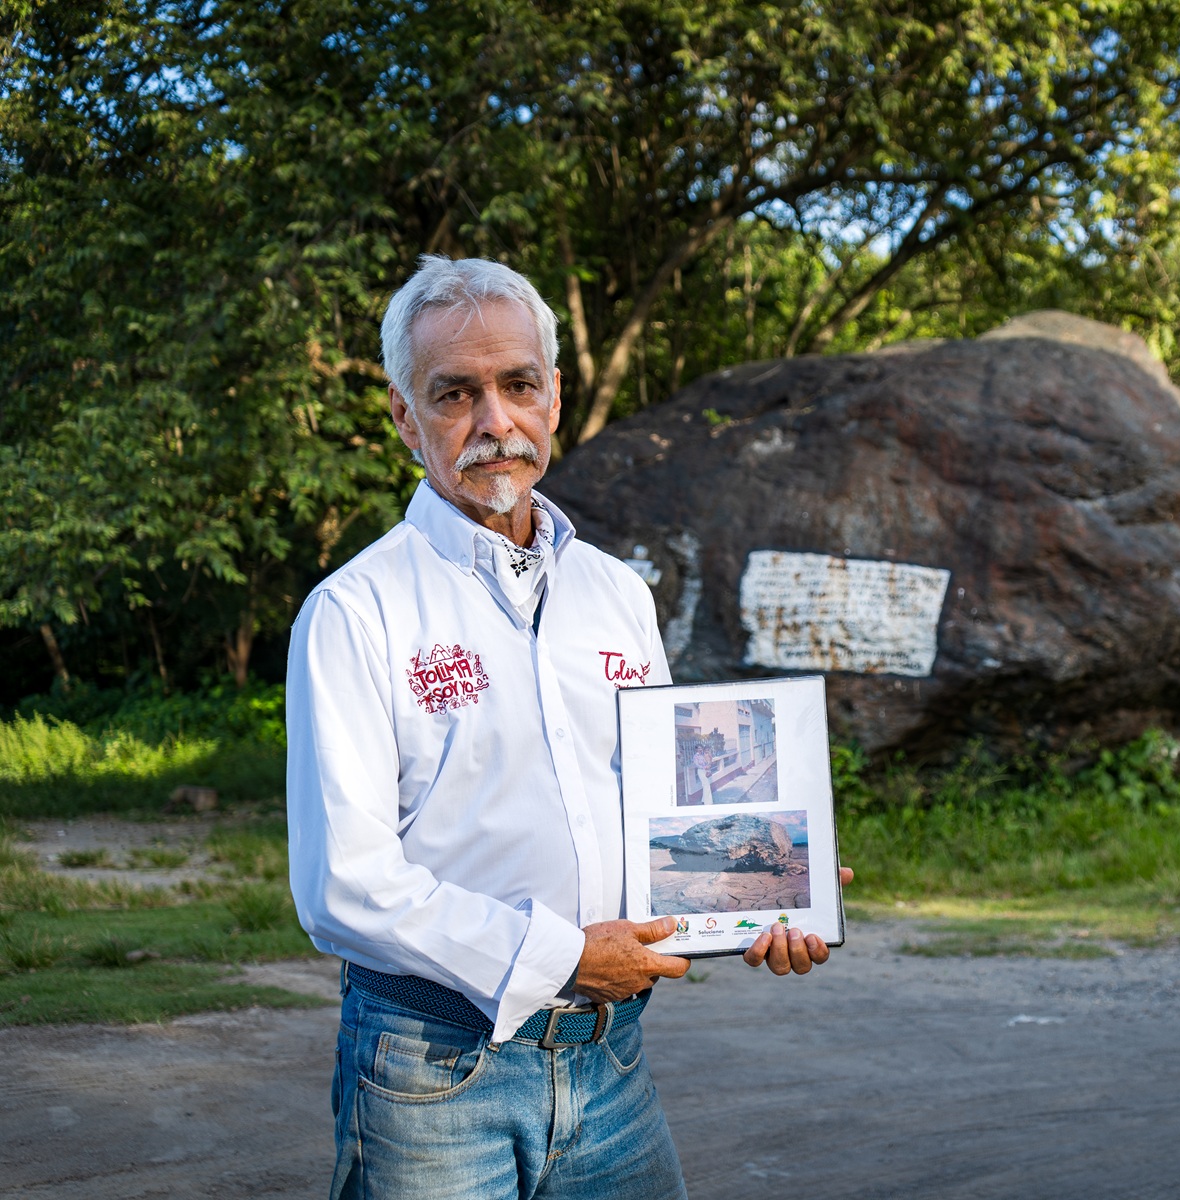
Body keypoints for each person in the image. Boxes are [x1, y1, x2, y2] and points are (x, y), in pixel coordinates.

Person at [286, 255, 847, 1199]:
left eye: (517, 386)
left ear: (554, 394)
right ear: (403, 415)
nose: (492, 422)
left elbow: (662, 810)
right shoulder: (355, 613)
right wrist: (566, 957)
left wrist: (769, 884)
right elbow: (344, 887)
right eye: (454, 393)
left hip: (610, 1065)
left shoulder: (615, 593)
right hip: (435, 1074)